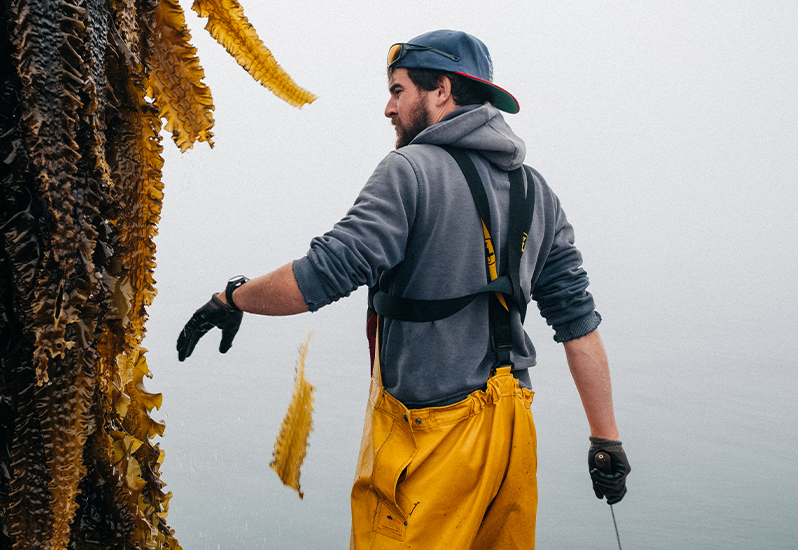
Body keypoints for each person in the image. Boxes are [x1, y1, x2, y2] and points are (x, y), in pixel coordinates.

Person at [177, 29, 629, 549]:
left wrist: (231, 298)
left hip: (429, 438)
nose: (388, 109)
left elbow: (319, 277)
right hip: (512, 437)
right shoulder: (537, 191)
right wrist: (606, 441)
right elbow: (578, 325)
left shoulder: (408, 171)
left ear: (440, 90)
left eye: (398, 90)